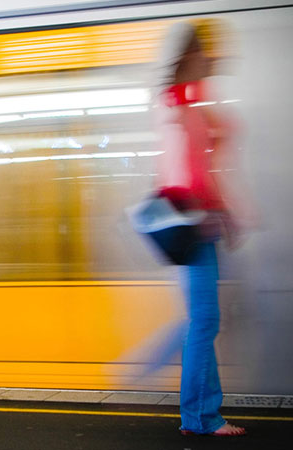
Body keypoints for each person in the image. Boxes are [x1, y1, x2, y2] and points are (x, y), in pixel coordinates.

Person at [154, 20, 245, 437]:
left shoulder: (186, 101)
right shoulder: (183, 103)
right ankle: (200, 417)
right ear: (196, 55)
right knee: (203, 322)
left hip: (197, 223)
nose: (217, 58)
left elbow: (203, 161)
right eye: (211, 52)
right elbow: (193, 173)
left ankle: (201, 415)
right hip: (193, 223)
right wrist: (222, 211)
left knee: (202, 321)